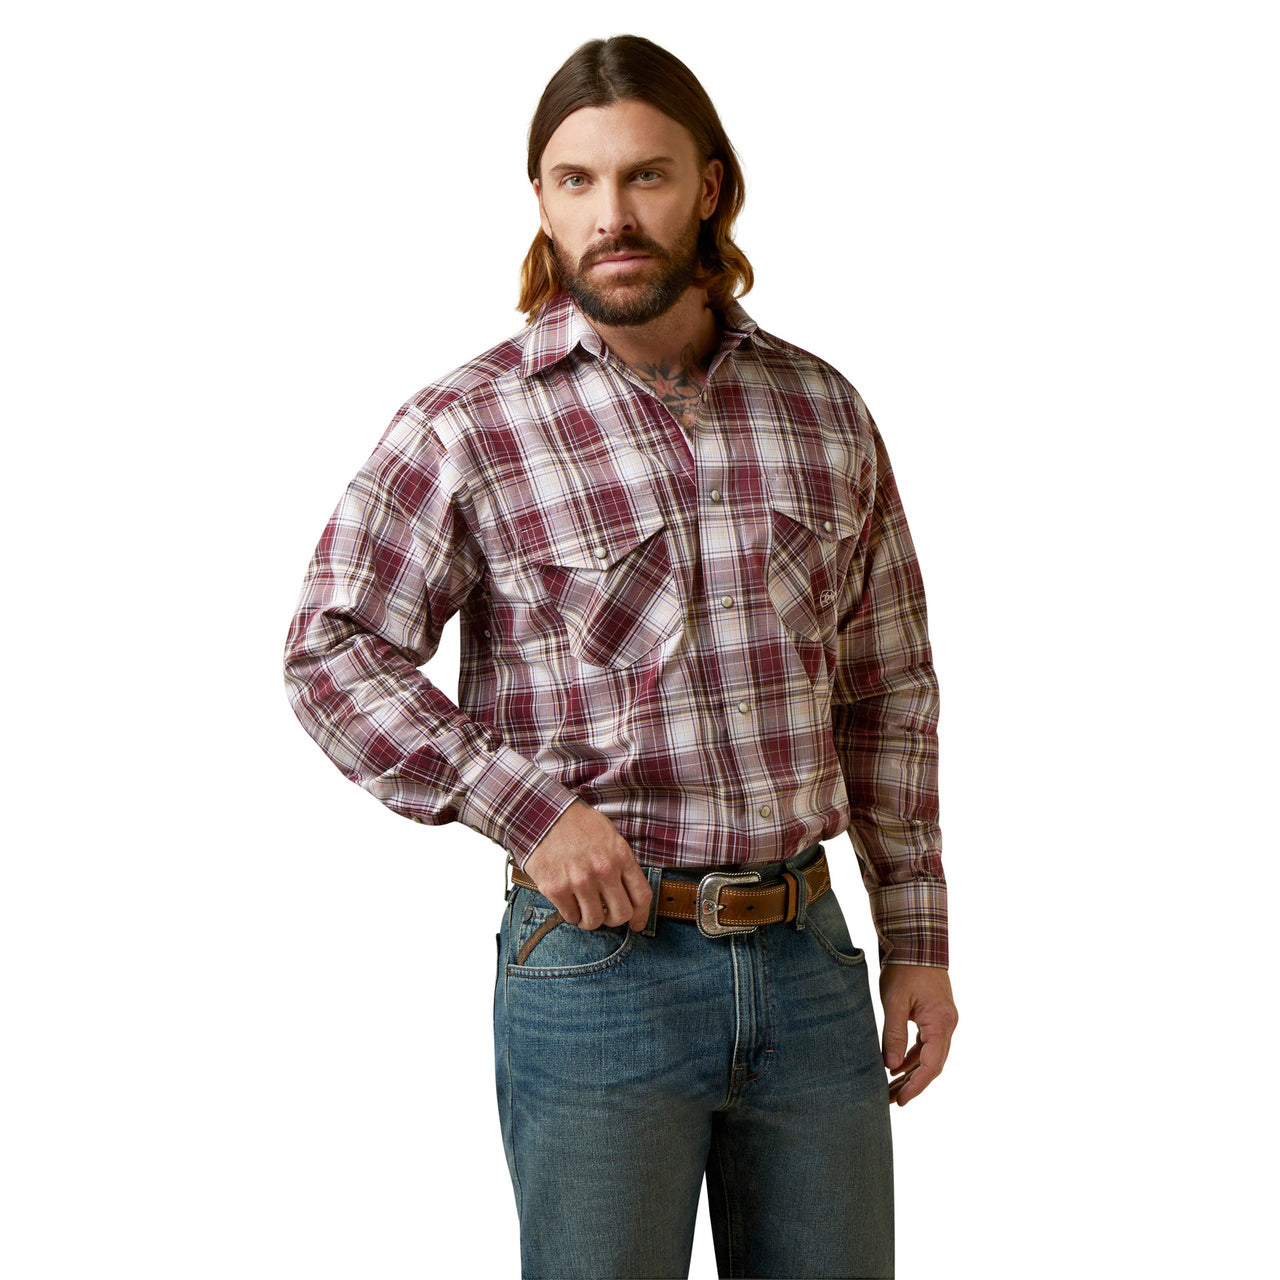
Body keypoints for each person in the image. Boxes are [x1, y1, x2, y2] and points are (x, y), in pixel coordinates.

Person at [284, 33, 957, 1280]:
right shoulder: (468, 423)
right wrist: (526, 810)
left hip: (809, 962)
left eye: (645, 175)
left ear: (708, 187)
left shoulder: (820, 409)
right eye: (575, 181)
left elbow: (886, 685)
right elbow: (331, 648)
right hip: (600, 973)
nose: (612, 215)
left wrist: (915, 934)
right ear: (541, 202)